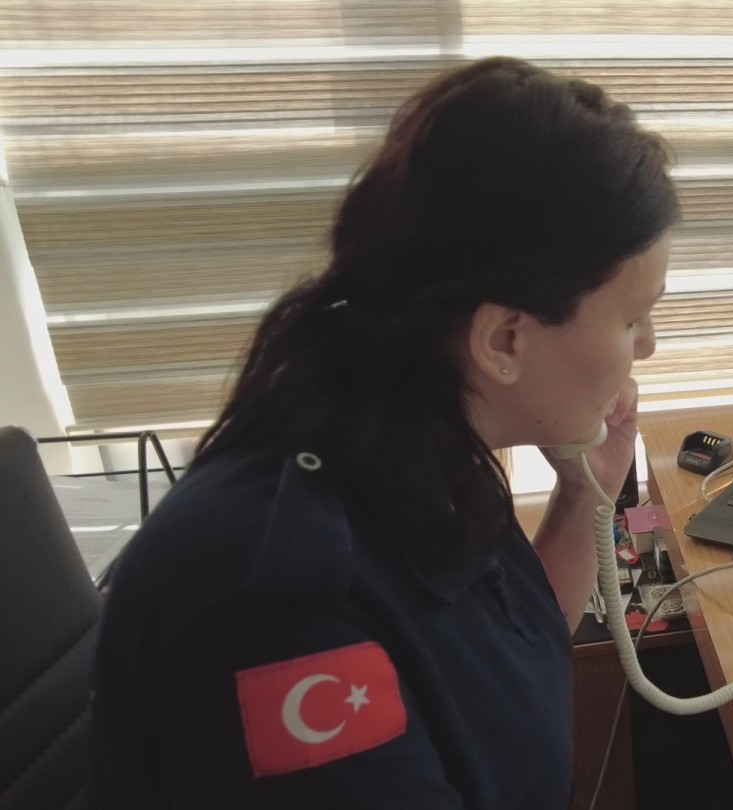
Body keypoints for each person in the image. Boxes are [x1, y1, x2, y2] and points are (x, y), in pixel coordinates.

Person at [91, 56, 678, 808]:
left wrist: (583, 494)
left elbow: (503, 653)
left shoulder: (405, 426)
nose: (647, 345)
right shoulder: (287, 615)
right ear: (504, 339)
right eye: (633, 318)